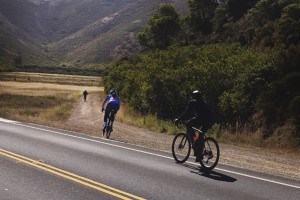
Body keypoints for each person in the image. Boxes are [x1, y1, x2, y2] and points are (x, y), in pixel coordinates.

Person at [175, 90, 213, 162]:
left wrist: (179, 119)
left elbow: (186, 111)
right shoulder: (204, 102)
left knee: (188, 124)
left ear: (193, 96)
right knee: (201, 135)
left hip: (201, 119)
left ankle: (195, 142)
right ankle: (199, 154)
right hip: (209, 121)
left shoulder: (192, 102)